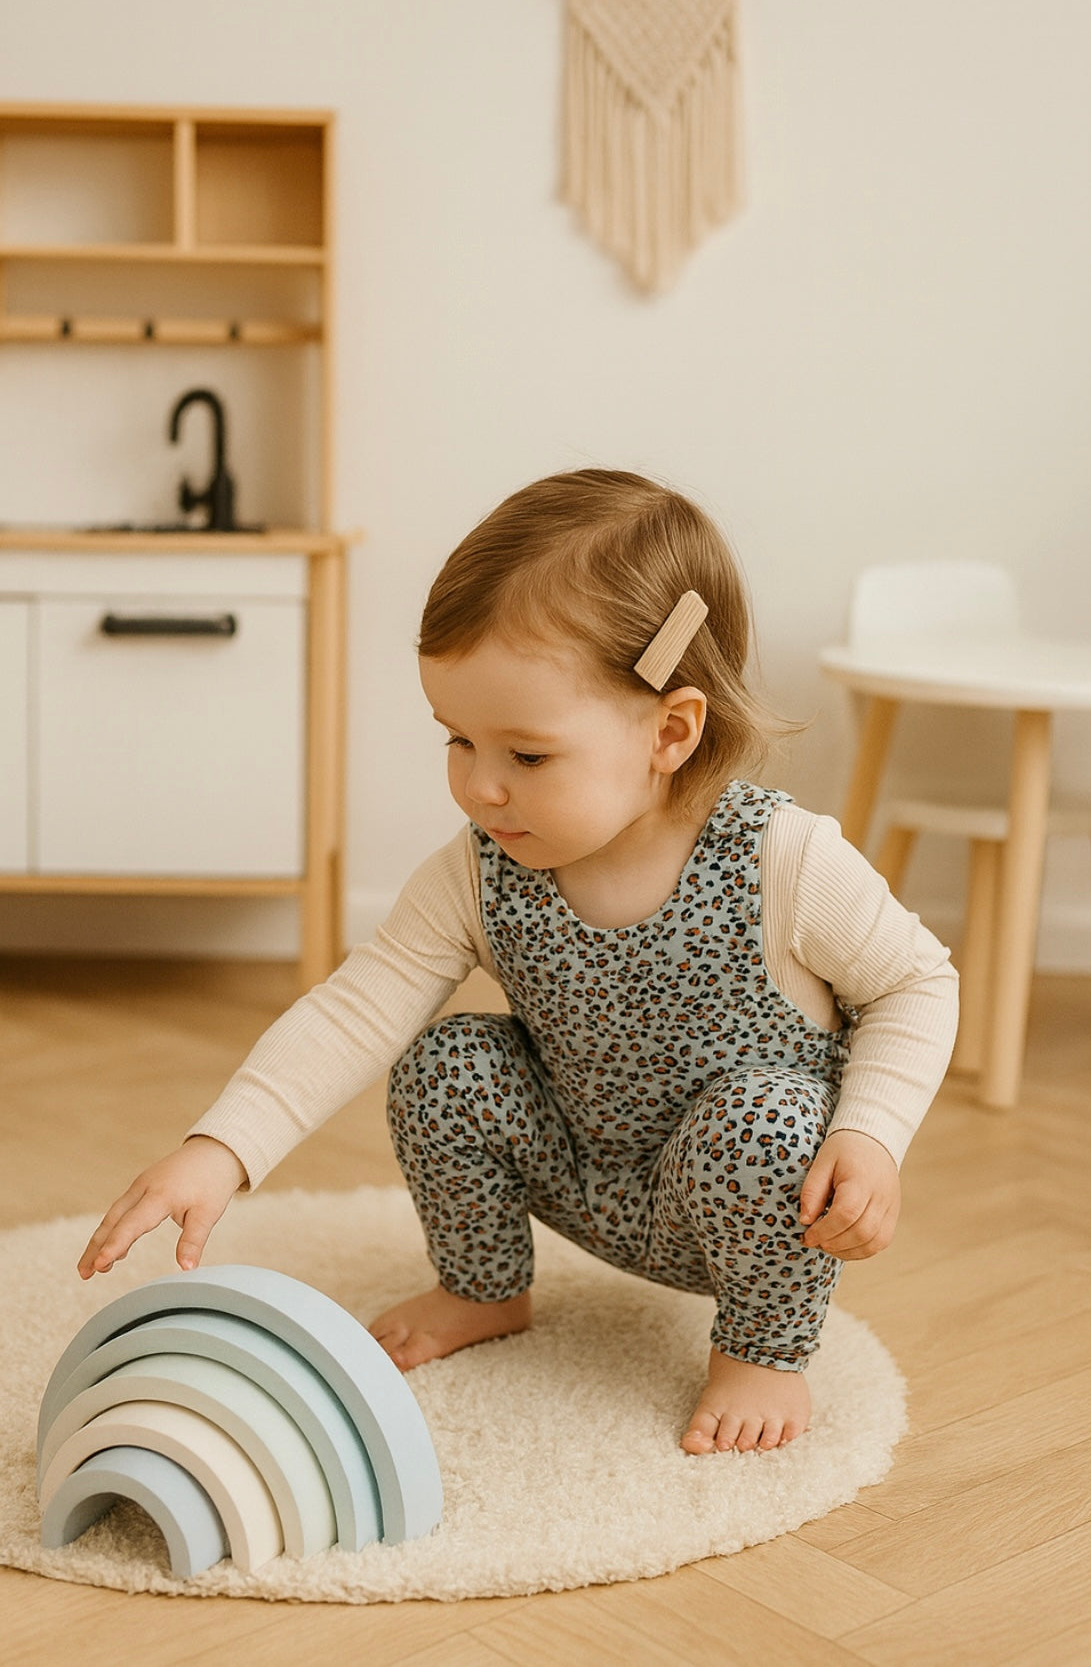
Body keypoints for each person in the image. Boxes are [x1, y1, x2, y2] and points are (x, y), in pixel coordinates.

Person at [79, 468, 958, 1456]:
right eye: (458, 738)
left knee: (773, 1120)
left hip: (744, 1198)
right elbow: (359, 1005)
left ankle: (762, 1347)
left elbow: (917, 983)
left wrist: (872, 1135)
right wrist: (222, 1148)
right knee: (446, 1064)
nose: (480, 786)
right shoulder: (484, 868)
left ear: (671, 730)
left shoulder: (782, 858)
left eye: (527, 755)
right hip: (583, 1168)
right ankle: (482, 1288)